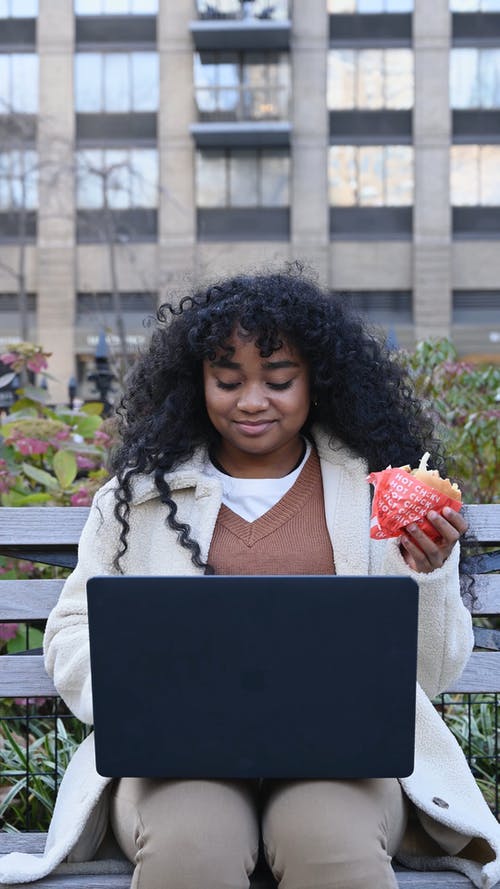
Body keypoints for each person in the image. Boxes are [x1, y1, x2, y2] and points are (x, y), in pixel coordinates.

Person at [1, 268, 500, 889]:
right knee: (193, 840)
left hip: (346, 764)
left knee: (328, 838)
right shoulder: (136, 500)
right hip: (174, 762)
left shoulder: (377, 494)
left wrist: (427, 578)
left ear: (318, 381)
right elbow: (72, 630)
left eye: (280, 380)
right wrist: (131, 700)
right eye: (228, 380)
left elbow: (431, 672)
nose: (253, 400)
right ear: (197, 385)